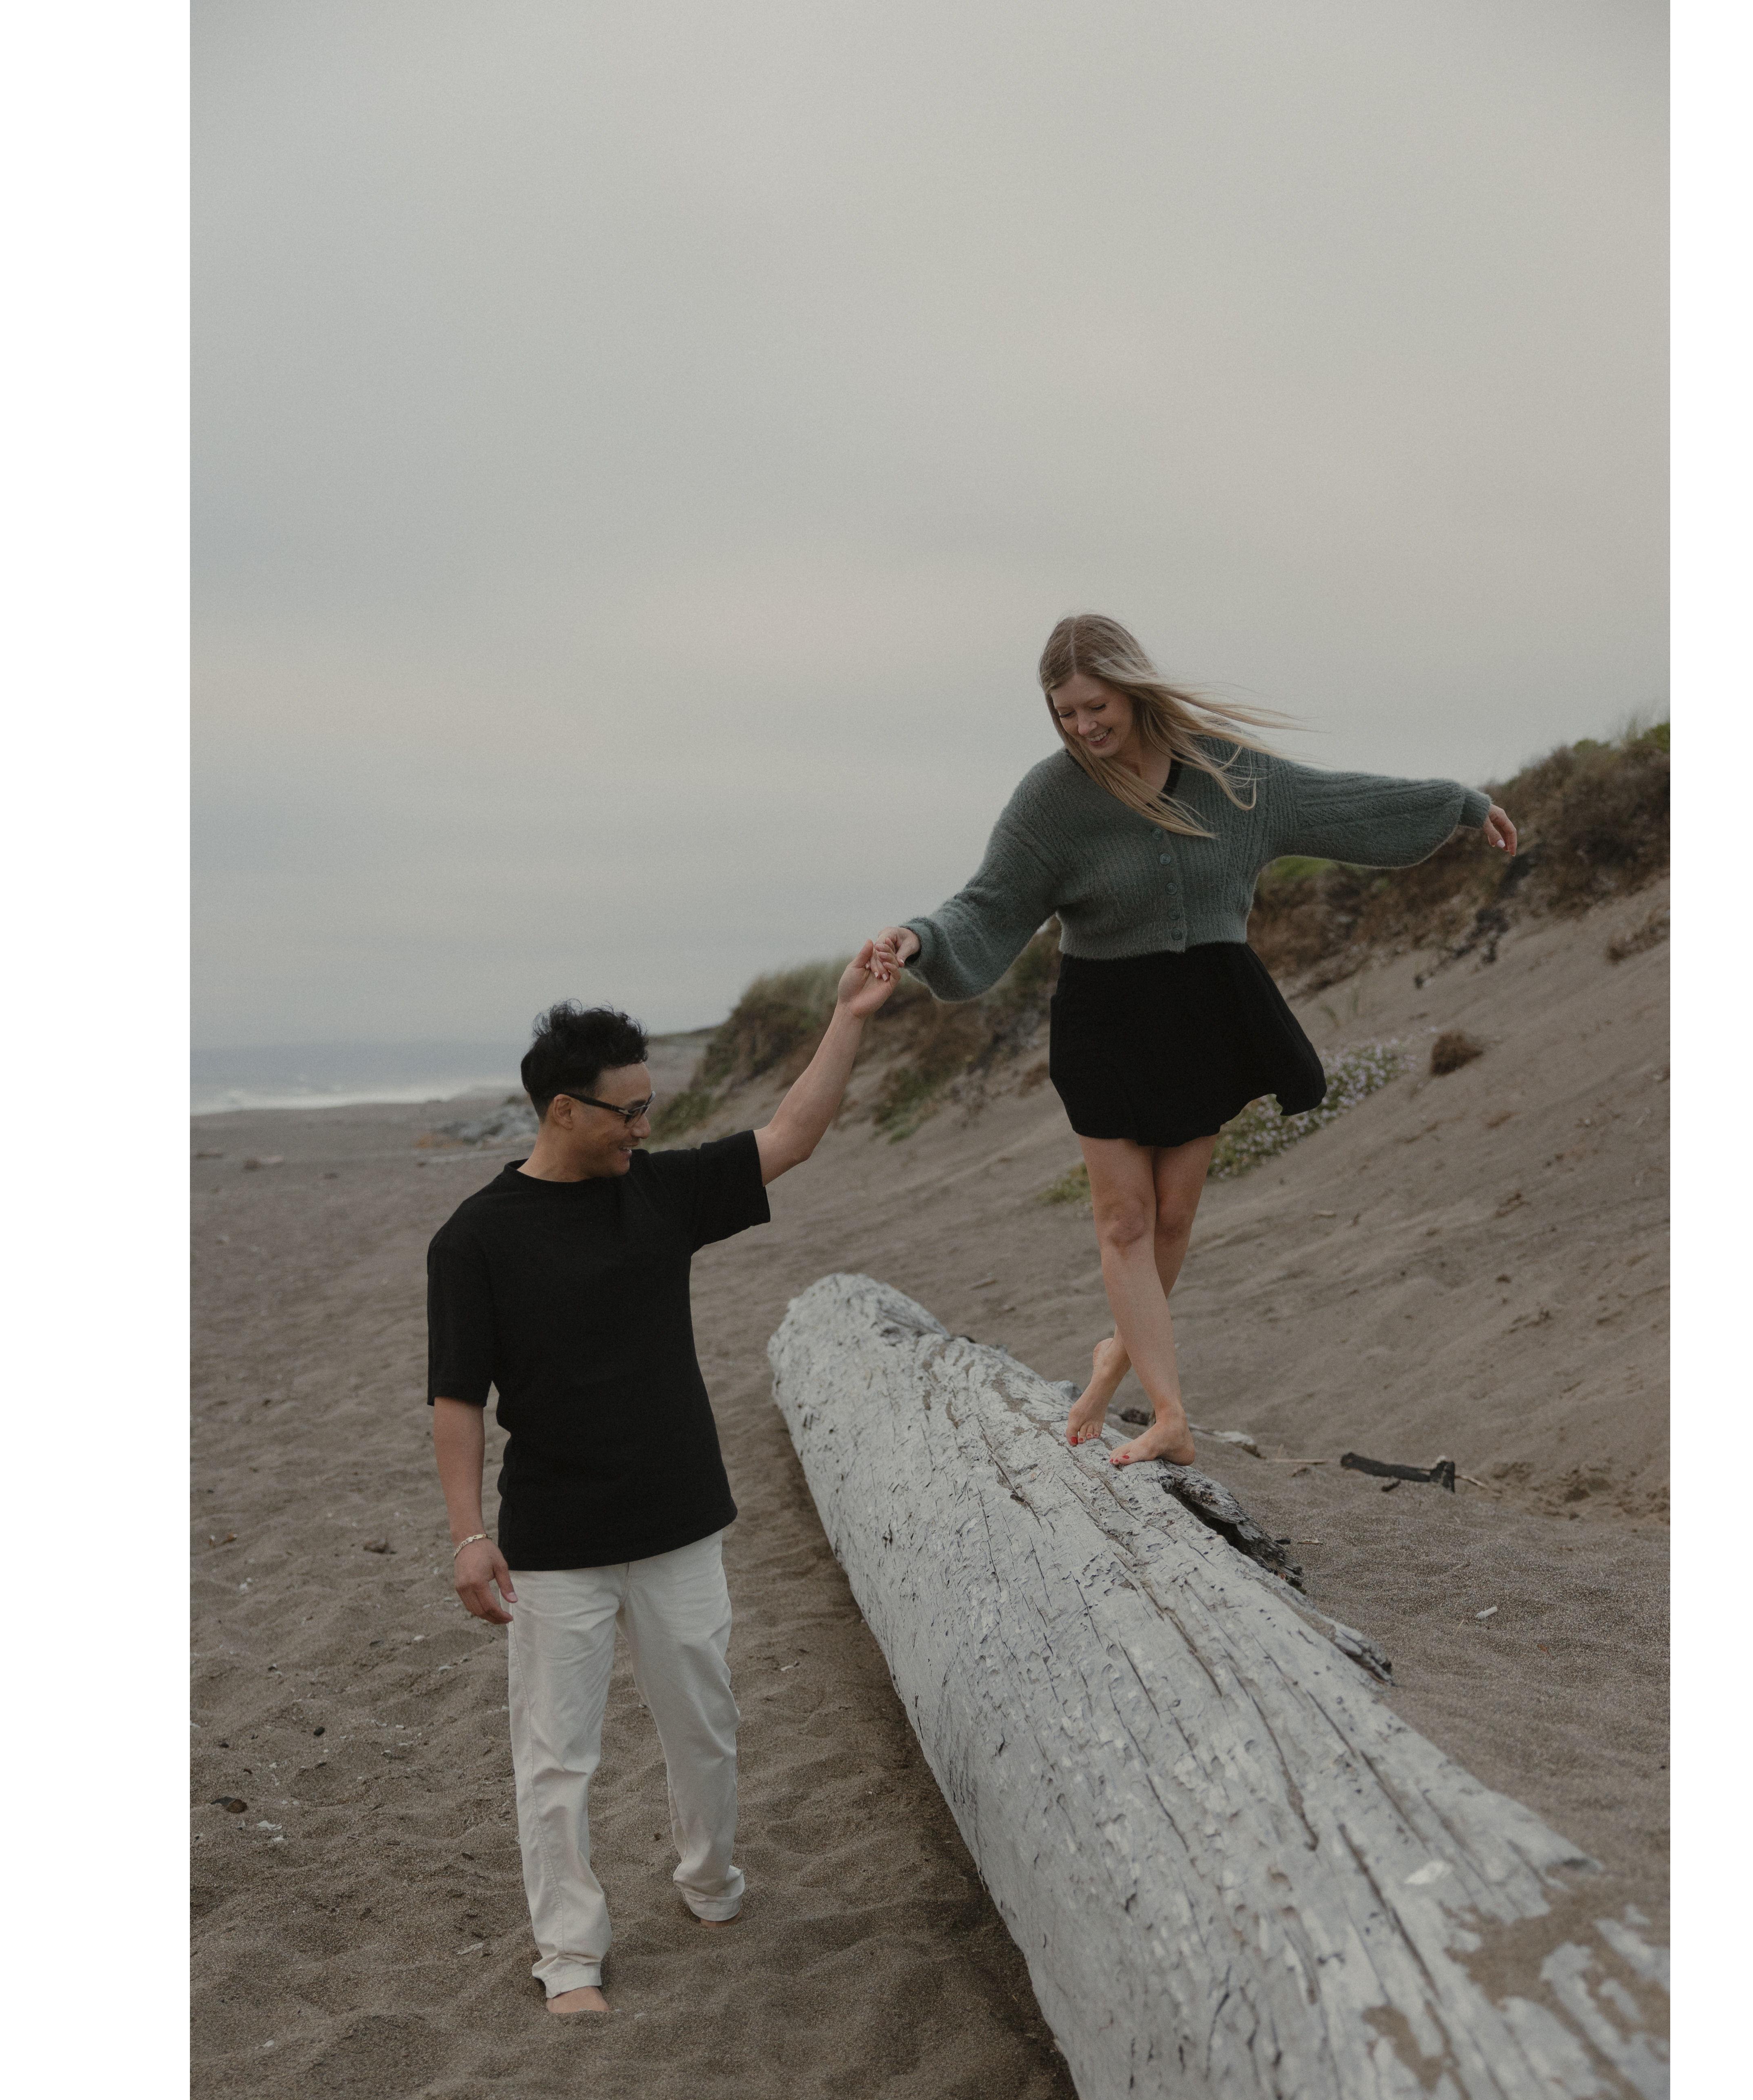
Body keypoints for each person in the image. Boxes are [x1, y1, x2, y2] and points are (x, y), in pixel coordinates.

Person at [872, 614, 1518, 1471]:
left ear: (1132, 690)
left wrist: (1460, 806)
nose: (1083, 727)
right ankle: (1171, 1415)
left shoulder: (1228, 774)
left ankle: (1116, 1358)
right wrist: (920, 939)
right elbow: (990, 902)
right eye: (1065, 713)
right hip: (1105, 1017)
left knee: (1173, 1217)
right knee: (1124, 1220)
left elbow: (1338, 804)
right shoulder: (1051, 799)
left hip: (1208, 1010)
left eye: (1096, 707)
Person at [427, 948, 897, 2016]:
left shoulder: (660, 1193)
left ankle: (710, 1879)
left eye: (650, 1110)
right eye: (628, 1112)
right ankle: (569, 1955)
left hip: (681, 1523)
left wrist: (850, 1017)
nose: (644, 1130)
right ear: (563, 1110)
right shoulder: (475, 1240)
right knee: (558, 1758)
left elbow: (793, 1135)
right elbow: (456, 1400)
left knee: (706, 1728)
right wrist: (466, 1535)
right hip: (555, 1543)